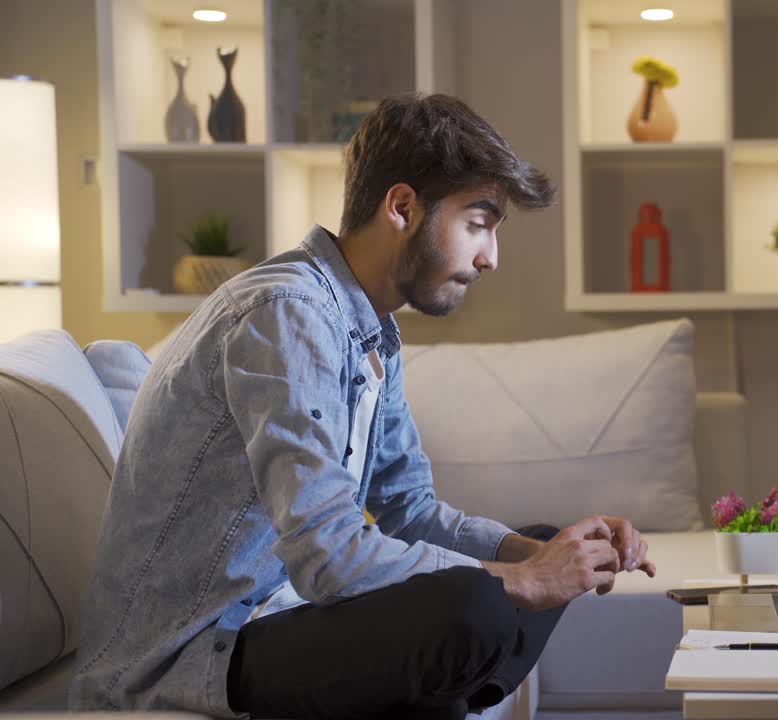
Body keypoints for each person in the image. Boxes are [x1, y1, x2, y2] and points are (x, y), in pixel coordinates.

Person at [69, 93, 656, 720]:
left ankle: (438, 685)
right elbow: (329, 557)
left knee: (535, 543)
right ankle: (441, 685)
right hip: (190, 653)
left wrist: (543, 557)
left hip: (283, 622)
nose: (491, 258)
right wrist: (527, 581)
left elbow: (407, 510)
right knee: (480, 605)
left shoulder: (369, 328)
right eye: (478, 224)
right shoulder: (285, 313)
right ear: (402, 207)